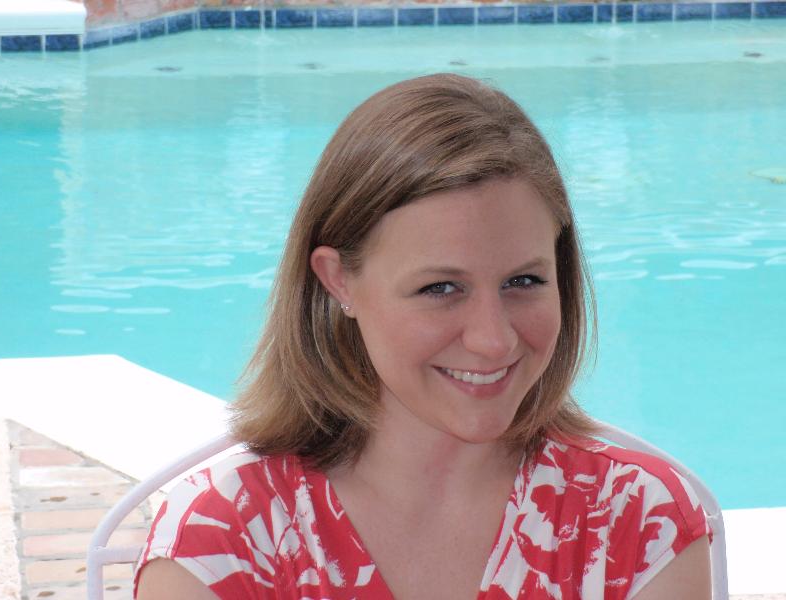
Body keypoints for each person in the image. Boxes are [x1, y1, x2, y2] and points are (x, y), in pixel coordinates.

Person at [134, 73, 711, 600]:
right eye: (440, 288)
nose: (493, 340)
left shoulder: (636, 521)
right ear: (339, 281)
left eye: (523, 281)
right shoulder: (224, 541)